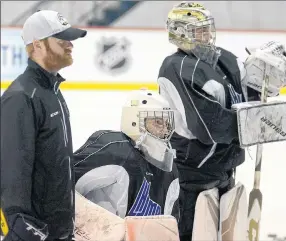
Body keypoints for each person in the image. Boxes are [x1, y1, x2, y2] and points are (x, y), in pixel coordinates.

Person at [157, 2, 286, 241]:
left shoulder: (224, 58)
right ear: (180, 33)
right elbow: (209, 127)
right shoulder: (176, 67)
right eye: (199, 30)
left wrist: (265, 83)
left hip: (225, 168)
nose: (207, 35)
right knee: (193, 234)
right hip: (192, 175)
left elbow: (246, 97)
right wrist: (253, 121)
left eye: (207, 29)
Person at [1, 10, 87, 241]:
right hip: (37, 235)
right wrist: (22, 232)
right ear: (37, 45)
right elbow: (11, 177)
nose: (70, 44)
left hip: (59, 232)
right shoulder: (22, 98)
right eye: (62, 39)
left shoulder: (51, 92)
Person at [73, 90, 180, 220]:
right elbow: (63, 182)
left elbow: (169, 225)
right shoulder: (113, 149)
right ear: (134, 120)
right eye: (157, 122)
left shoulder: (169, 168)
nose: (164, 130)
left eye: (166, 124)